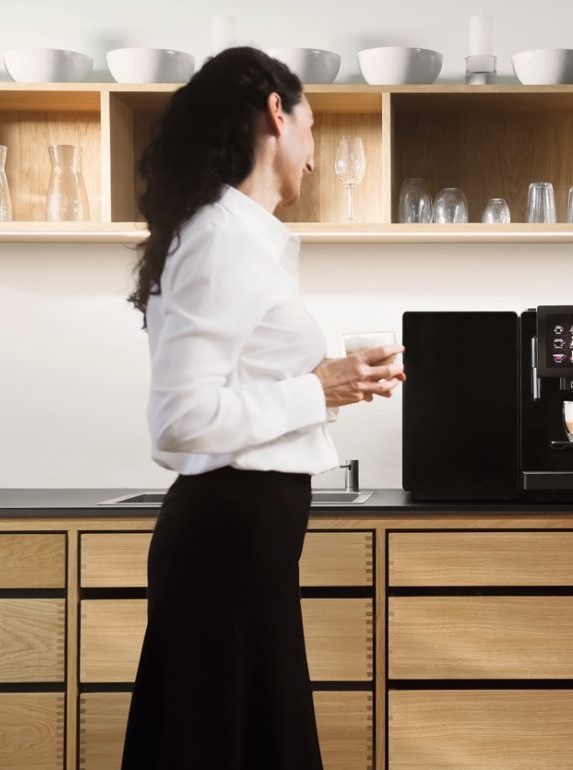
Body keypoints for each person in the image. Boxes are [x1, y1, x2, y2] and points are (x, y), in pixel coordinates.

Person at [121, 47, 404, 770]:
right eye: (312, 125)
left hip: (247, 543)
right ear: (277, 115)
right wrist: (318, 389)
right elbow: (179, 420)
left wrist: (325, 382)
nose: (314, 155)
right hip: (227, 542)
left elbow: (234, 384)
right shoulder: (221, 237)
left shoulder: (240, 236)